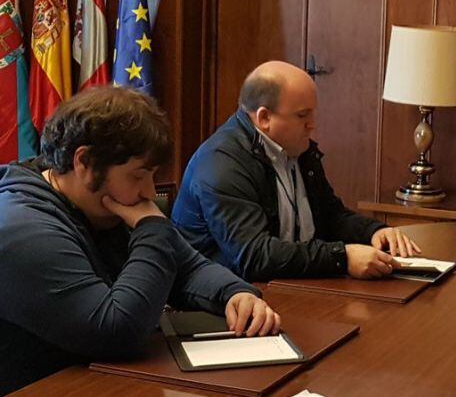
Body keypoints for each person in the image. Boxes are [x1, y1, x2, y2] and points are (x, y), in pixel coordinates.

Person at [0, 87, 280, 394]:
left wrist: (235, 294)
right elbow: (115, 332)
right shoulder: (21, 228)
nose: (148, 192)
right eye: (138, 176)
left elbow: (186, 265)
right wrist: (152, 228)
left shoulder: (98, 204)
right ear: (84, 162)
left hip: (100, 380)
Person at [172, 61, 420, 283]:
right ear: (264, 117)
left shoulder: (298, 149)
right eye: (303, 116)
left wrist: (374, 232)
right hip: (228, 297)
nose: (313, 124)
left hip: (291, 282)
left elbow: (330, 216)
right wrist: (342, 258)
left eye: (313, 113)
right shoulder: (222, 164)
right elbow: (253, 257)